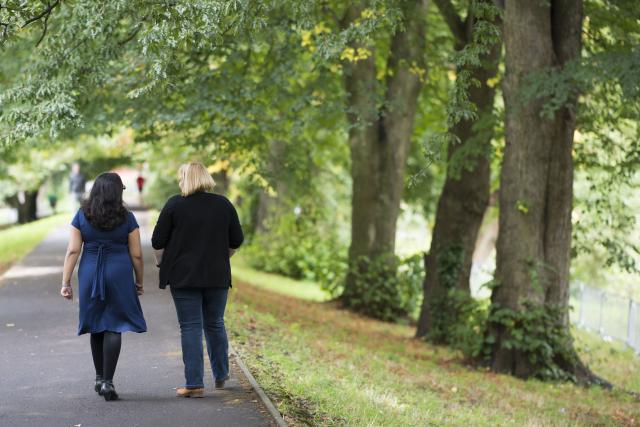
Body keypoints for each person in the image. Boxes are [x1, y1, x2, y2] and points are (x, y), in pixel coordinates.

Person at [151, 162, 243, 398]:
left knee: (191, 327)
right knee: (215, 323)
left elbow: (158, 240)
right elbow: (237, 239)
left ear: (184, 178)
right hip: (217, 274)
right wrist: (224, 256)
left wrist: (161, 263)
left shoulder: (175, 204)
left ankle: (194, 384)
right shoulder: (223, 204)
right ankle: (221, 376)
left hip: (183, 276)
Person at [60, 172, 147, 401]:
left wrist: (66, 281)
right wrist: (139, 281)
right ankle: (108, 382)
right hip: (119, 272)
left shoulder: (82, 215)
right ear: (118, 192)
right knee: (114, 325)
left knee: (95, 322)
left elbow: (73, 250)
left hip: (90, 272)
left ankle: (99, 378)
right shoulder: (127, 218)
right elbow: (136, 254)